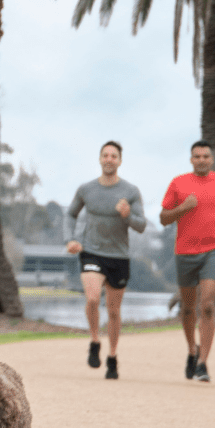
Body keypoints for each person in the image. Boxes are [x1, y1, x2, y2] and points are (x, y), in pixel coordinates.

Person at [160, 140, 215, 383]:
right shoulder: (179, 183)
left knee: (206, 305)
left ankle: (203, 364)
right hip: (185, 252)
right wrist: (183, 209)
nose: (201, 160)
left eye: (206, 156)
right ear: (191, 160)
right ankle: (191, 350)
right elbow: (164, 218)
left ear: (212, 159)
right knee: (188, 308)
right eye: (197, 156)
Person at [65, 141, 147, 379]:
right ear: (100, 159)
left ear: (120, 161)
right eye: (105, 155)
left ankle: (112, 356)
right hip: (91, 251)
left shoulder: (130, 191)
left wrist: (127, 215)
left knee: (113, 311)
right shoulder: (86, 189)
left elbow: (141, 226)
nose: (109, 159)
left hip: (118, 256)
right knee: (92, 298)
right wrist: (70, 239)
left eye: (114, 156)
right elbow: (70, 214)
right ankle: (94, 341)